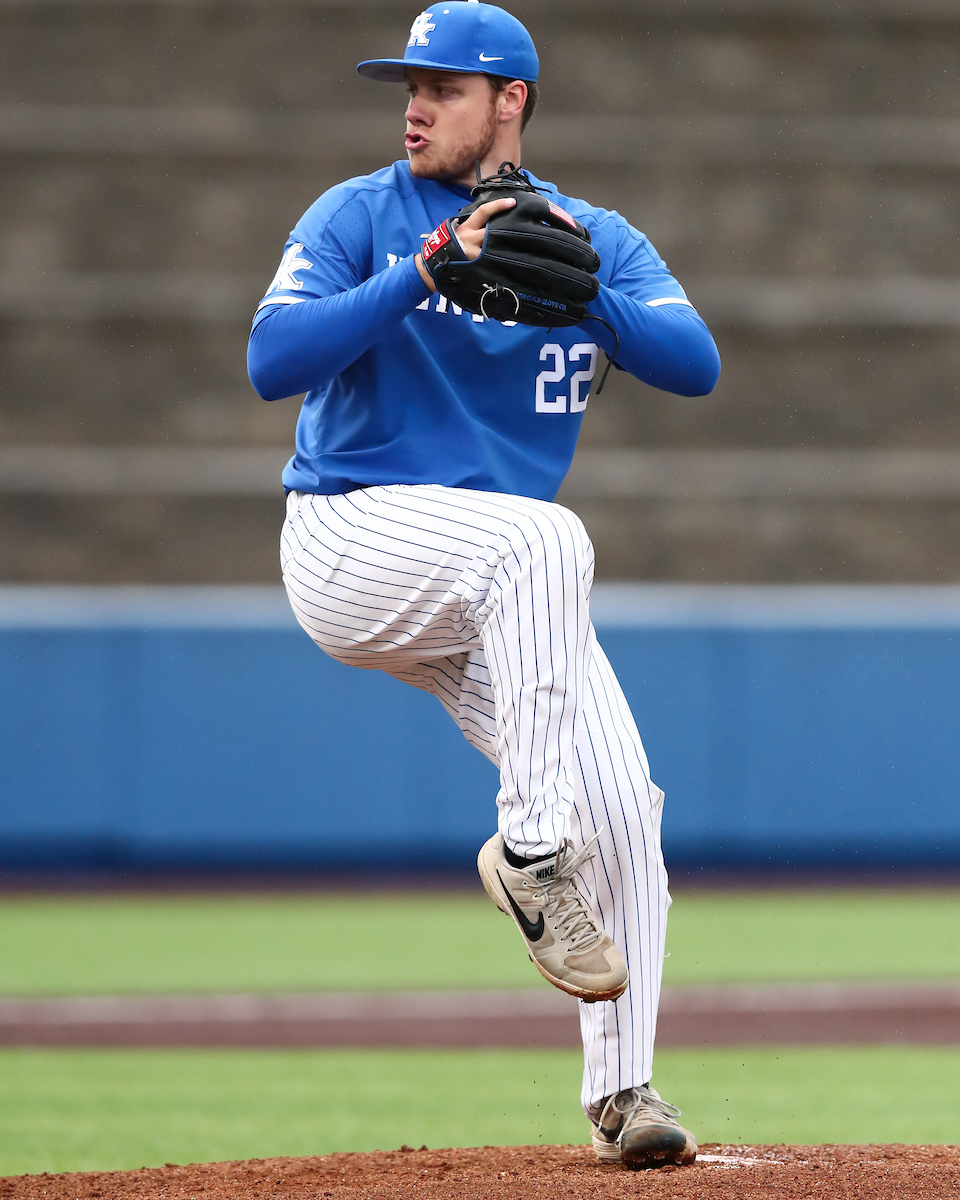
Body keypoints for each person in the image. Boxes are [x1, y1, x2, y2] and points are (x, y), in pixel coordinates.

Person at [247, 0, 720, 1170]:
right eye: (407, 85)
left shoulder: (590, 234)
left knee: (626, 807)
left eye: (444, 86)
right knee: (547, 541)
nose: (415, 105)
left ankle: (626, 1095)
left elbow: (696, 364)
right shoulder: (358, 215)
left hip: (493, 597)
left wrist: (587, 293)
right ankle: (527, 855)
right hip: (353, 542)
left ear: (512, 101)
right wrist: (425, 271)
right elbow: (271, 361)